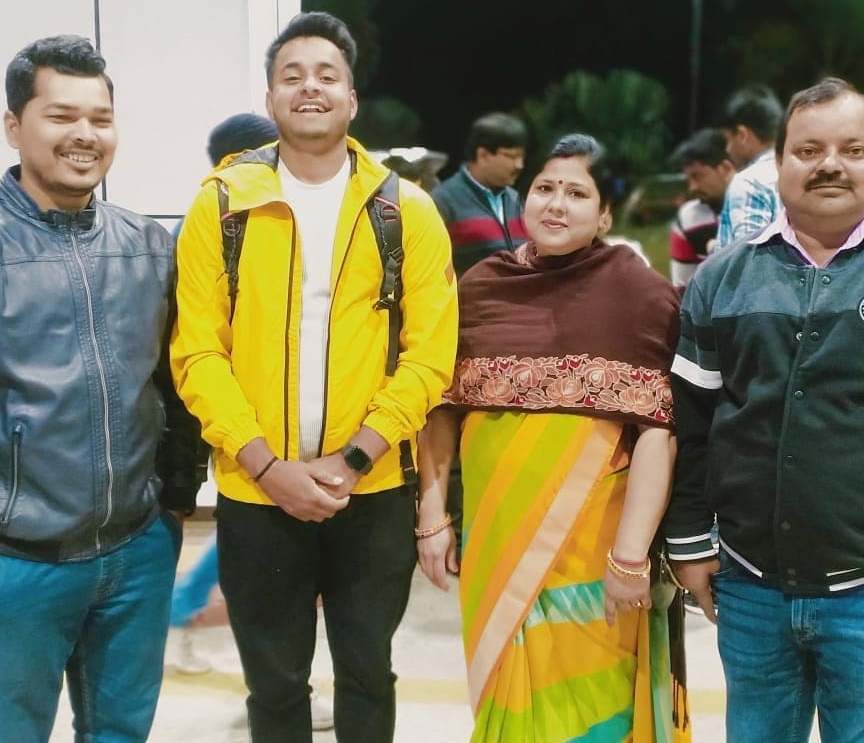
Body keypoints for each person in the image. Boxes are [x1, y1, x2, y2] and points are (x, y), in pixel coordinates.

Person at [170, 11, 458, 743]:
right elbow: (197, 352)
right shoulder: (221, 204)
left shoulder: (407, 210)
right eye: (291, 76)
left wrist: (353, 457)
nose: (309, 88)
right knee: (273, 684)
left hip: (372, 495)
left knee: (367, 673)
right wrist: (264, 464)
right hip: (253, 491)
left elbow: (429, 357)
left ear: (352, 99)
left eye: (326, 75)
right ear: (270, 98)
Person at [418, 133, 688, 742]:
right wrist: (432, 515)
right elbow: (441, 410)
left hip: (593, 556)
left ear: (606, 213)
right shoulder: (482, 287)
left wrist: (630, 556)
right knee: (505, 696)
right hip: (494, 539)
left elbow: (657, 434)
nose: (555, 205)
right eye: (544, 188)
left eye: (576, 193)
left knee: (593, 711)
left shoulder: (640, 296)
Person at [0, 35, 199, 741]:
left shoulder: (149, 244)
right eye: (61, 116)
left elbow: (179, 389)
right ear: (13, 124)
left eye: (100, 118)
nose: (85, 135)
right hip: (17, 562)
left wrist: (171, 506)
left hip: (136, 552)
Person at [665, 77, 864, 743]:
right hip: (750, 587)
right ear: (775, 166)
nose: (831, 163)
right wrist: (690, 543)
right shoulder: (723, 278)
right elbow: (690, 424)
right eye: (808, 149)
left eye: (853, 148)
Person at [432, 111, 528, 277]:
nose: (519, 165)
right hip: (466, 301)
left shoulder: (517, 200)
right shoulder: (442, 201)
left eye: (521, 157)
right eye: (511, 156)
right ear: (482, 155)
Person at [715, 85, 784, 248]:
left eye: (728, 140)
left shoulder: (749, 184)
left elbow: (749, 263)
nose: (727, 149)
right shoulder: (803, 172)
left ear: (742, 135)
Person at [668, 128, 736, 287]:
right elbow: (682, 290)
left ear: (725, 169)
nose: (692, 187)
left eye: (698, 176)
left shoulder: (760, 208)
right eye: (689, 179)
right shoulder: (687, 219)